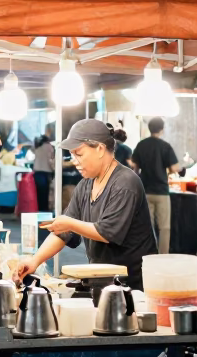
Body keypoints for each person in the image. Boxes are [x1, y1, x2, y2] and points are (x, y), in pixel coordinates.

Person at [14, 119, 157, 290]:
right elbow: (64, 233)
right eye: (72, 155)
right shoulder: (86, 184)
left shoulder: (125, 183)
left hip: (133, 287)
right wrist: (34, 261)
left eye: (79, 154)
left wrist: (69, 223)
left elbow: (106, 232)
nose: (74, 161)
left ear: (100, 149)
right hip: (102, 281)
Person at [129, 117, 181, 254]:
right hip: (162, 191)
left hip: (145, 190)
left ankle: (147, 254)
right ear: (162, 129)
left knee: (147, 226)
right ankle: (163, 256)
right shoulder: (165, 146)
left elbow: (134, 166)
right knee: (164, 227)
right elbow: (174, 168)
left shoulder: (141, 145)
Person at [30, 134, 56, 211]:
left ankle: (38, 208)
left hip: (37, 172)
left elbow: (32, 150)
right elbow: (51, 159)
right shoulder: (50, 147)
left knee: (38, 192)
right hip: (46, 172)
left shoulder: (37, 146)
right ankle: (45, 209)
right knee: (45, 192)